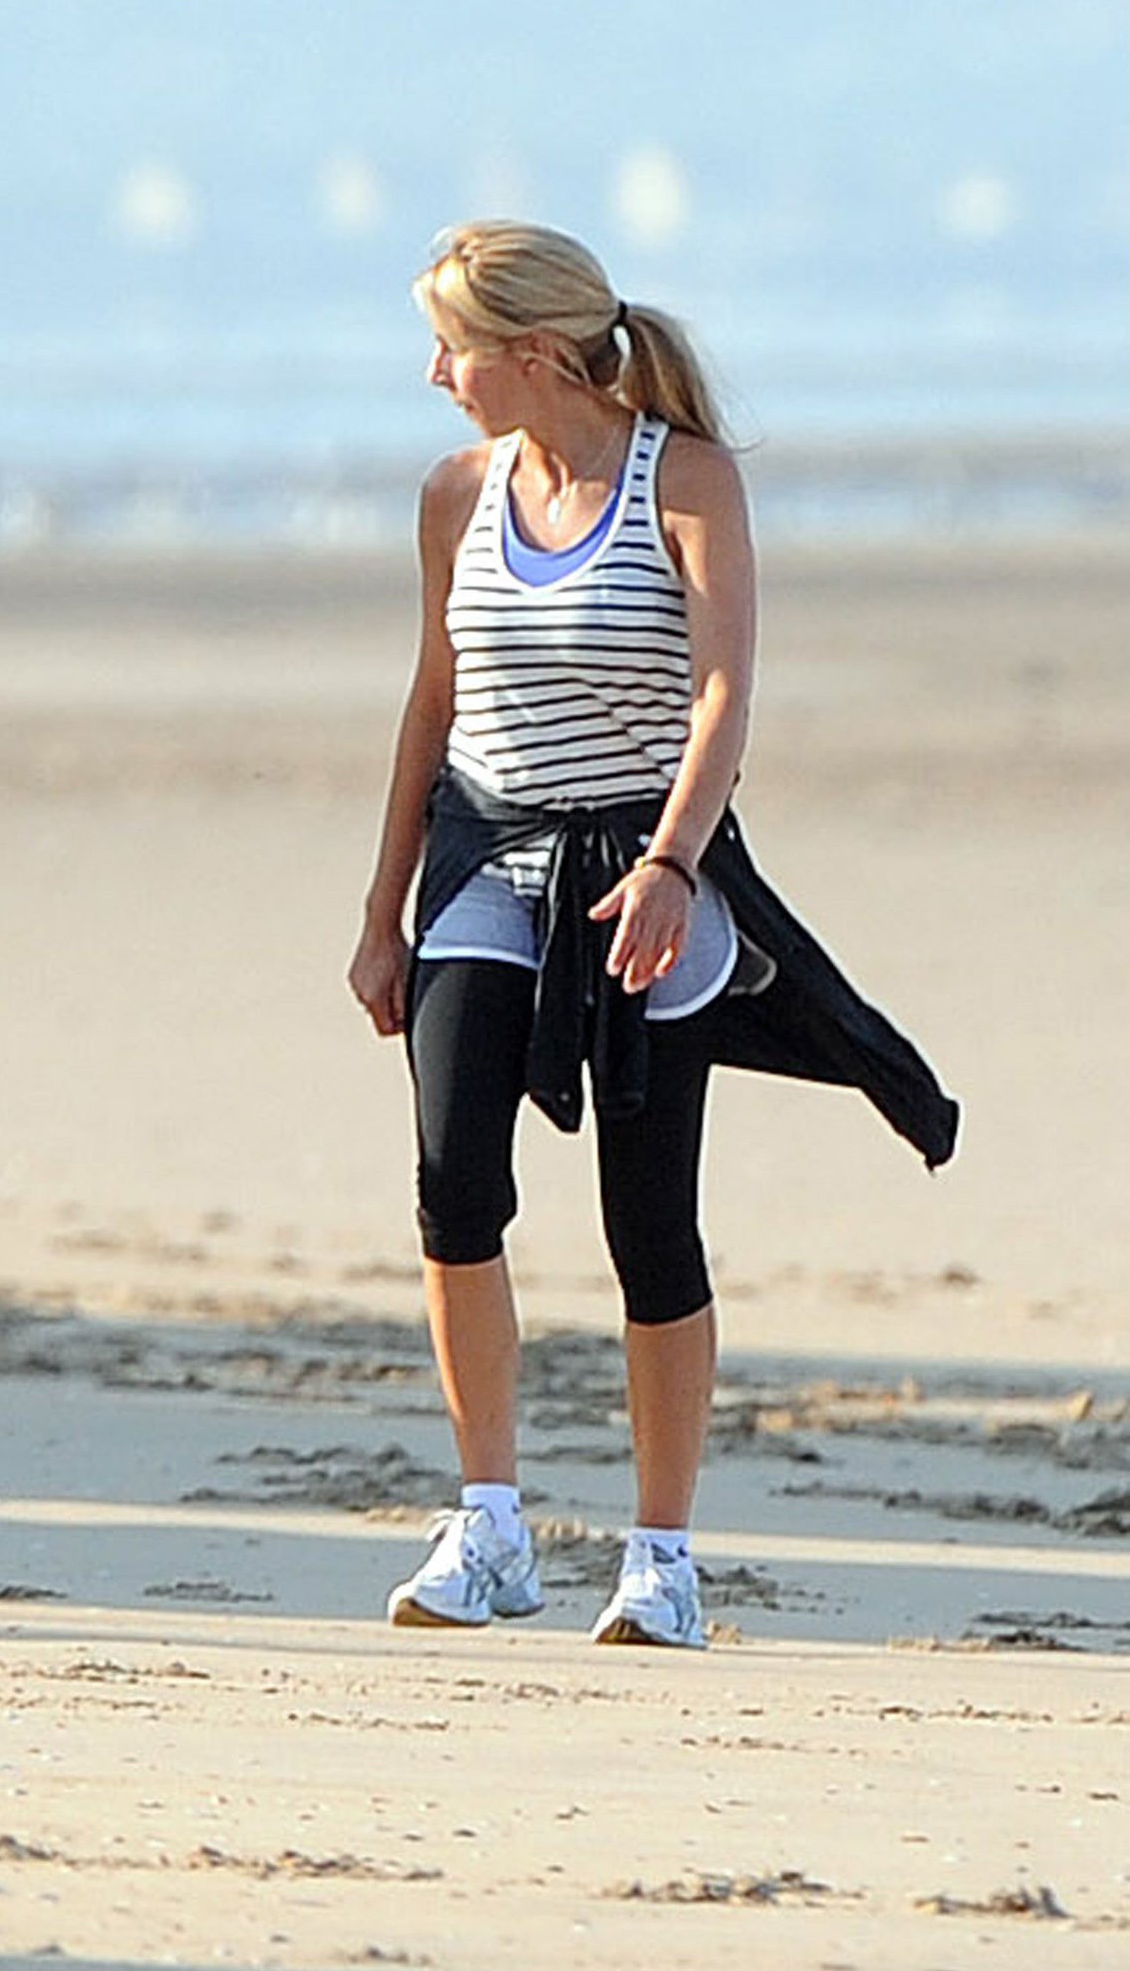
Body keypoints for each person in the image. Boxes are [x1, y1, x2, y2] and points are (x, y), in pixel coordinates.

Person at [347, 222, 954, 1649]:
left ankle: (663, 1553)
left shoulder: (684, 478)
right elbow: (431, 712)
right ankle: (488, 1520)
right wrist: (383, 912)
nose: (437, 374)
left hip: (644, 862)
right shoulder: (455, 494)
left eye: (457, 347)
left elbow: (723, 694)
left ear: (539, 354)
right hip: (488, 853)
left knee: (648, 1216)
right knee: (451, 1177)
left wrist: (678, 864)